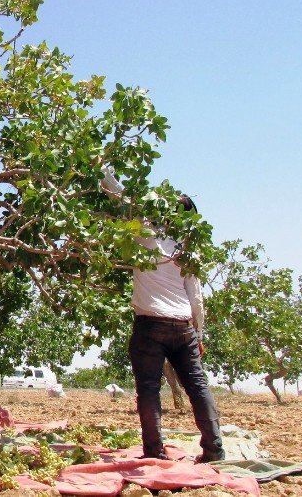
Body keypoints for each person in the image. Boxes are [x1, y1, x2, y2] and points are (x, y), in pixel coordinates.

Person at [102, 170, 225, 463]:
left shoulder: (146, 236)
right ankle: (214, 450)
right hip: (184, 327)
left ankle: (154, 451)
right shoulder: (188, 253)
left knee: (148, 389)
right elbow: (197, 299)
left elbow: (118, 196)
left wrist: (103, 170)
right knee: (197, 386)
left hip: (150, 325)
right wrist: (200, 335)